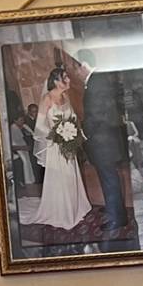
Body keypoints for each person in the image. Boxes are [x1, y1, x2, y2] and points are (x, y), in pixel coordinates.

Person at [74, 49, 133, 250]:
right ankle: (115, 211)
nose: (77, 72)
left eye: (77, 67)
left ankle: (117, 218)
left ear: (84, 65)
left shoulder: (96, 82)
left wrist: (84, 131)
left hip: (103, 142)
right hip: (105, 141)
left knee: (109, 179)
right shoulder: (97, 80)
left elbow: (97, 115)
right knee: (109, 179)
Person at [31, 65, 92, 229]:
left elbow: (73, 119)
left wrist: (73, 134)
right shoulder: (47, 99)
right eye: (65, 77)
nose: (69, 80)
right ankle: (63, 213)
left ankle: (76, 207)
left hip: (69, 145)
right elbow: (39, 126)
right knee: (62, 179)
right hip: (56, 146)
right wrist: (57, 135)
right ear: (57, 81)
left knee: (71, 177)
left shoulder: (65, 96)